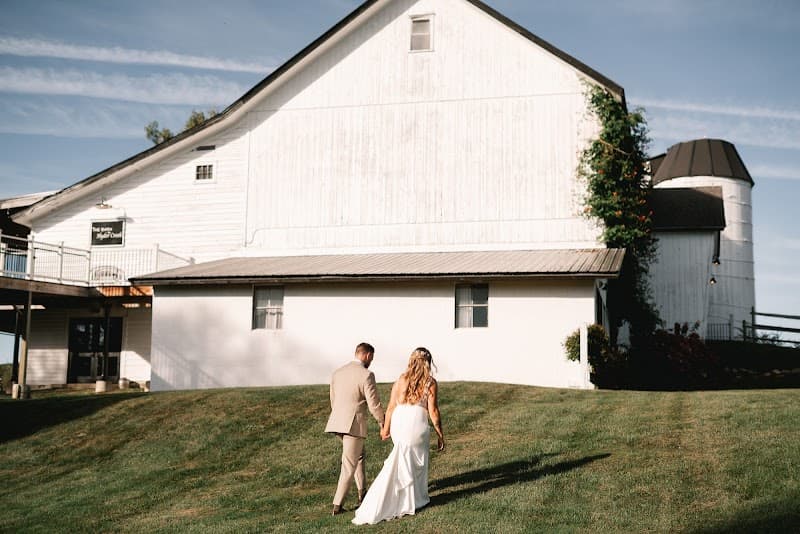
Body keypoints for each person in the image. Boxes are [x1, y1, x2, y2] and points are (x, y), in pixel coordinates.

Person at [352, 347, 445, 525]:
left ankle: (402, 497)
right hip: (416, 422)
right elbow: (433, 411)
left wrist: (385, 429)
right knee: (415, 461)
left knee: (402, 458)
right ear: (428, 362)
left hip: (400, 422)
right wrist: (440, 434)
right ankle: (415, 498)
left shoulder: (401, 379)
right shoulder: (430, 382)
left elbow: (391, 407)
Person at [325, 342, 385, 516]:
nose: (371, 361)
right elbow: (374, 404)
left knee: (358, 455)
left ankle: (362, 493)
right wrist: (382, 421)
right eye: (371, 358)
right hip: (353, 425)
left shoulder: (338, 372)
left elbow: (333, 399)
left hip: (337, 422)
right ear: (367, 355)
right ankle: (337, 505)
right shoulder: (366, 375)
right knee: (349, 464)